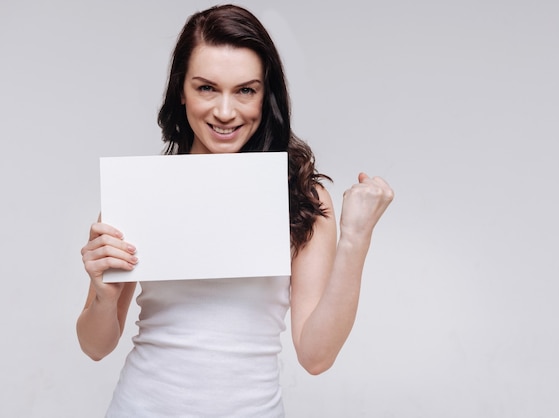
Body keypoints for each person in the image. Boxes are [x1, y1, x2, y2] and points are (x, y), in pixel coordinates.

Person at [77, 4, 394, 417]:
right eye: (206, 87)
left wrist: (355, 238)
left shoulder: (300, 196)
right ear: (181, 90)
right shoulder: (141, 189)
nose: (225, 112)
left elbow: (316, 356)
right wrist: (103, 294)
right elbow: (95, 346)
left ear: (267, 95)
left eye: (246, 90)